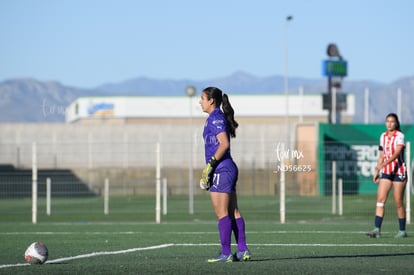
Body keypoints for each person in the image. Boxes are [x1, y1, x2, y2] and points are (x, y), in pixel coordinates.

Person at [198, 87, 251, 262]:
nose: (200, 101)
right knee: (232, 211)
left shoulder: (215, 118)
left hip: (221, 169)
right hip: (226, 168)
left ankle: (226, 253)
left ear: (211, 101)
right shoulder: (213, 118)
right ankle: (242, 250)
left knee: (222, 213)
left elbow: (224, 143)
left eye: (202, 98)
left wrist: (210, 166)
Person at [366, 113, 408, 238]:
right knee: (380, 200)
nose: (389, 124)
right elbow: (381, 156)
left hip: (399, 172)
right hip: (386, 172)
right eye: (387, 121)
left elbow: (396, 154)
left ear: (396, 123)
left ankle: (402, 230)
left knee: (398, 202)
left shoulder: (400, 136)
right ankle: (377, 229)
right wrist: (376, 171)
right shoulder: (382, 136)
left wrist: (382, 164)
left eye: (392, 121)